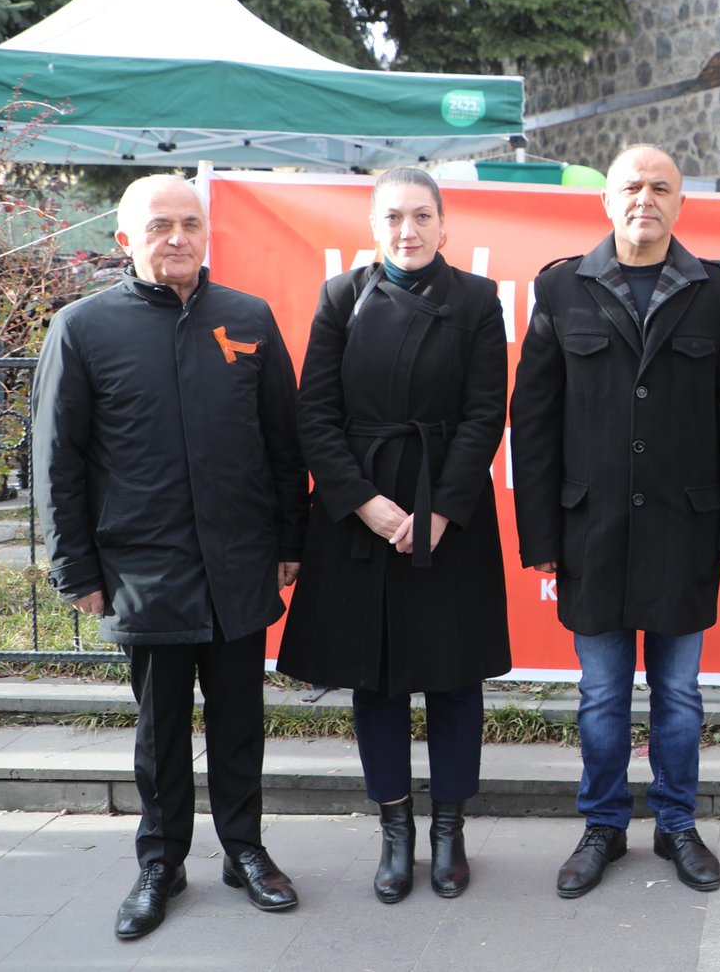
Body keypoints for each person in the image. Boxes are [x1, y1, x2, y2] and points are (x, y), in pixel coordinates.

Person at [32, 174, 306, 941]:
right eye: (159, 225)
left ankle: (245, 851)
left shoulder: (247, 318)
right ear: (126, 239)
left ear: (207, 233)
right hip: (141, 567)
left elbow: (284, 444)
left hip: (239, 562)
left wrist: (291, 541)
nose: (177, 237)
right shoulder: (83, 329)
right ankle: (162, 861)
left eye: (190, 222)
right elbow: (58, 460)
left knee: (240, 719)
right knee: (160, 729)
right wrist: (74, 568)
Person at [511, 145, 720, 899]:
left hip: (685, 530)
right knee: (600, 694)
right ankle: (603, 825)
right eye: (631, 186)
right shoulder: (561, 287)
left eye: (661, 187)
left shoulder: (717, 293)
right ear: (607, 200)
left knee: (680, 694)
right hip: (590, 531)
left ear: (680, 203)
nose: (644, 198)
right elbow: (535, 421)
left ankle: (677, 824)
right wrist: (541, 537)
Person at [276, 168, 511, 904]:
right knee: (374, 679)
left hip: (450, 509)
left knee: (452, 676)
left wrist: (440, 509)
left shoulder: (476, 300)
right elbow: (313, 412)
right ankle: (395, 830)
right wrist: (365, 504)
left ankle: (449, 830)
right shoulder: (342, 297)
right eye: (392, 218)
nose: (407, 231)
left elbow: (485, 414)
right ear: (373, 227)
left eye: (420, 216)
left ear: (445, 225)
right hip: (361, 516)